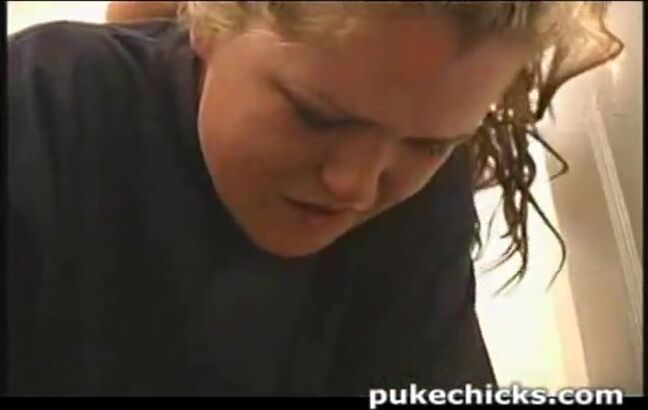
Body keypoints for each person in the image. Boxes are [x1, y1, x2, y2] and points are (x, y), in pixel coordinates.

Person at [7, 1, 622, 396]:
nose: (357, 185)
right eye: (315, 117)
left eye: (428, 144)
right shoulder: (39, 112)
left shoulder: (423, 204)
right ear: (210, 24)